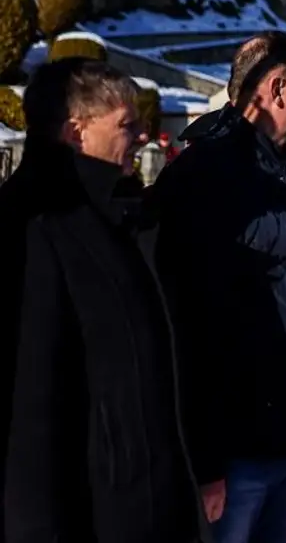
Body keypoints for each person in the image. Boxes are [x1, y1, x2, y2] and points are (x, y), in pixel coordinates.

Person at [1, 58, 205, 543]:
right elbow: (28, 403)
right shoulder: (34, 225)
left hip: (149, 498)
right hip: (91, 512)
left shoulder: (124, 215)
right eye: (126, 125)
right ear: (77, 131)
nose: (141, 136)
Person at [152, 31, 286, 543]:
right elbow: (192, 319)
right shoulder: (211, 176)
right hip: (238, 448)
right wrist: (205, 457)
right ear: (278, 88)